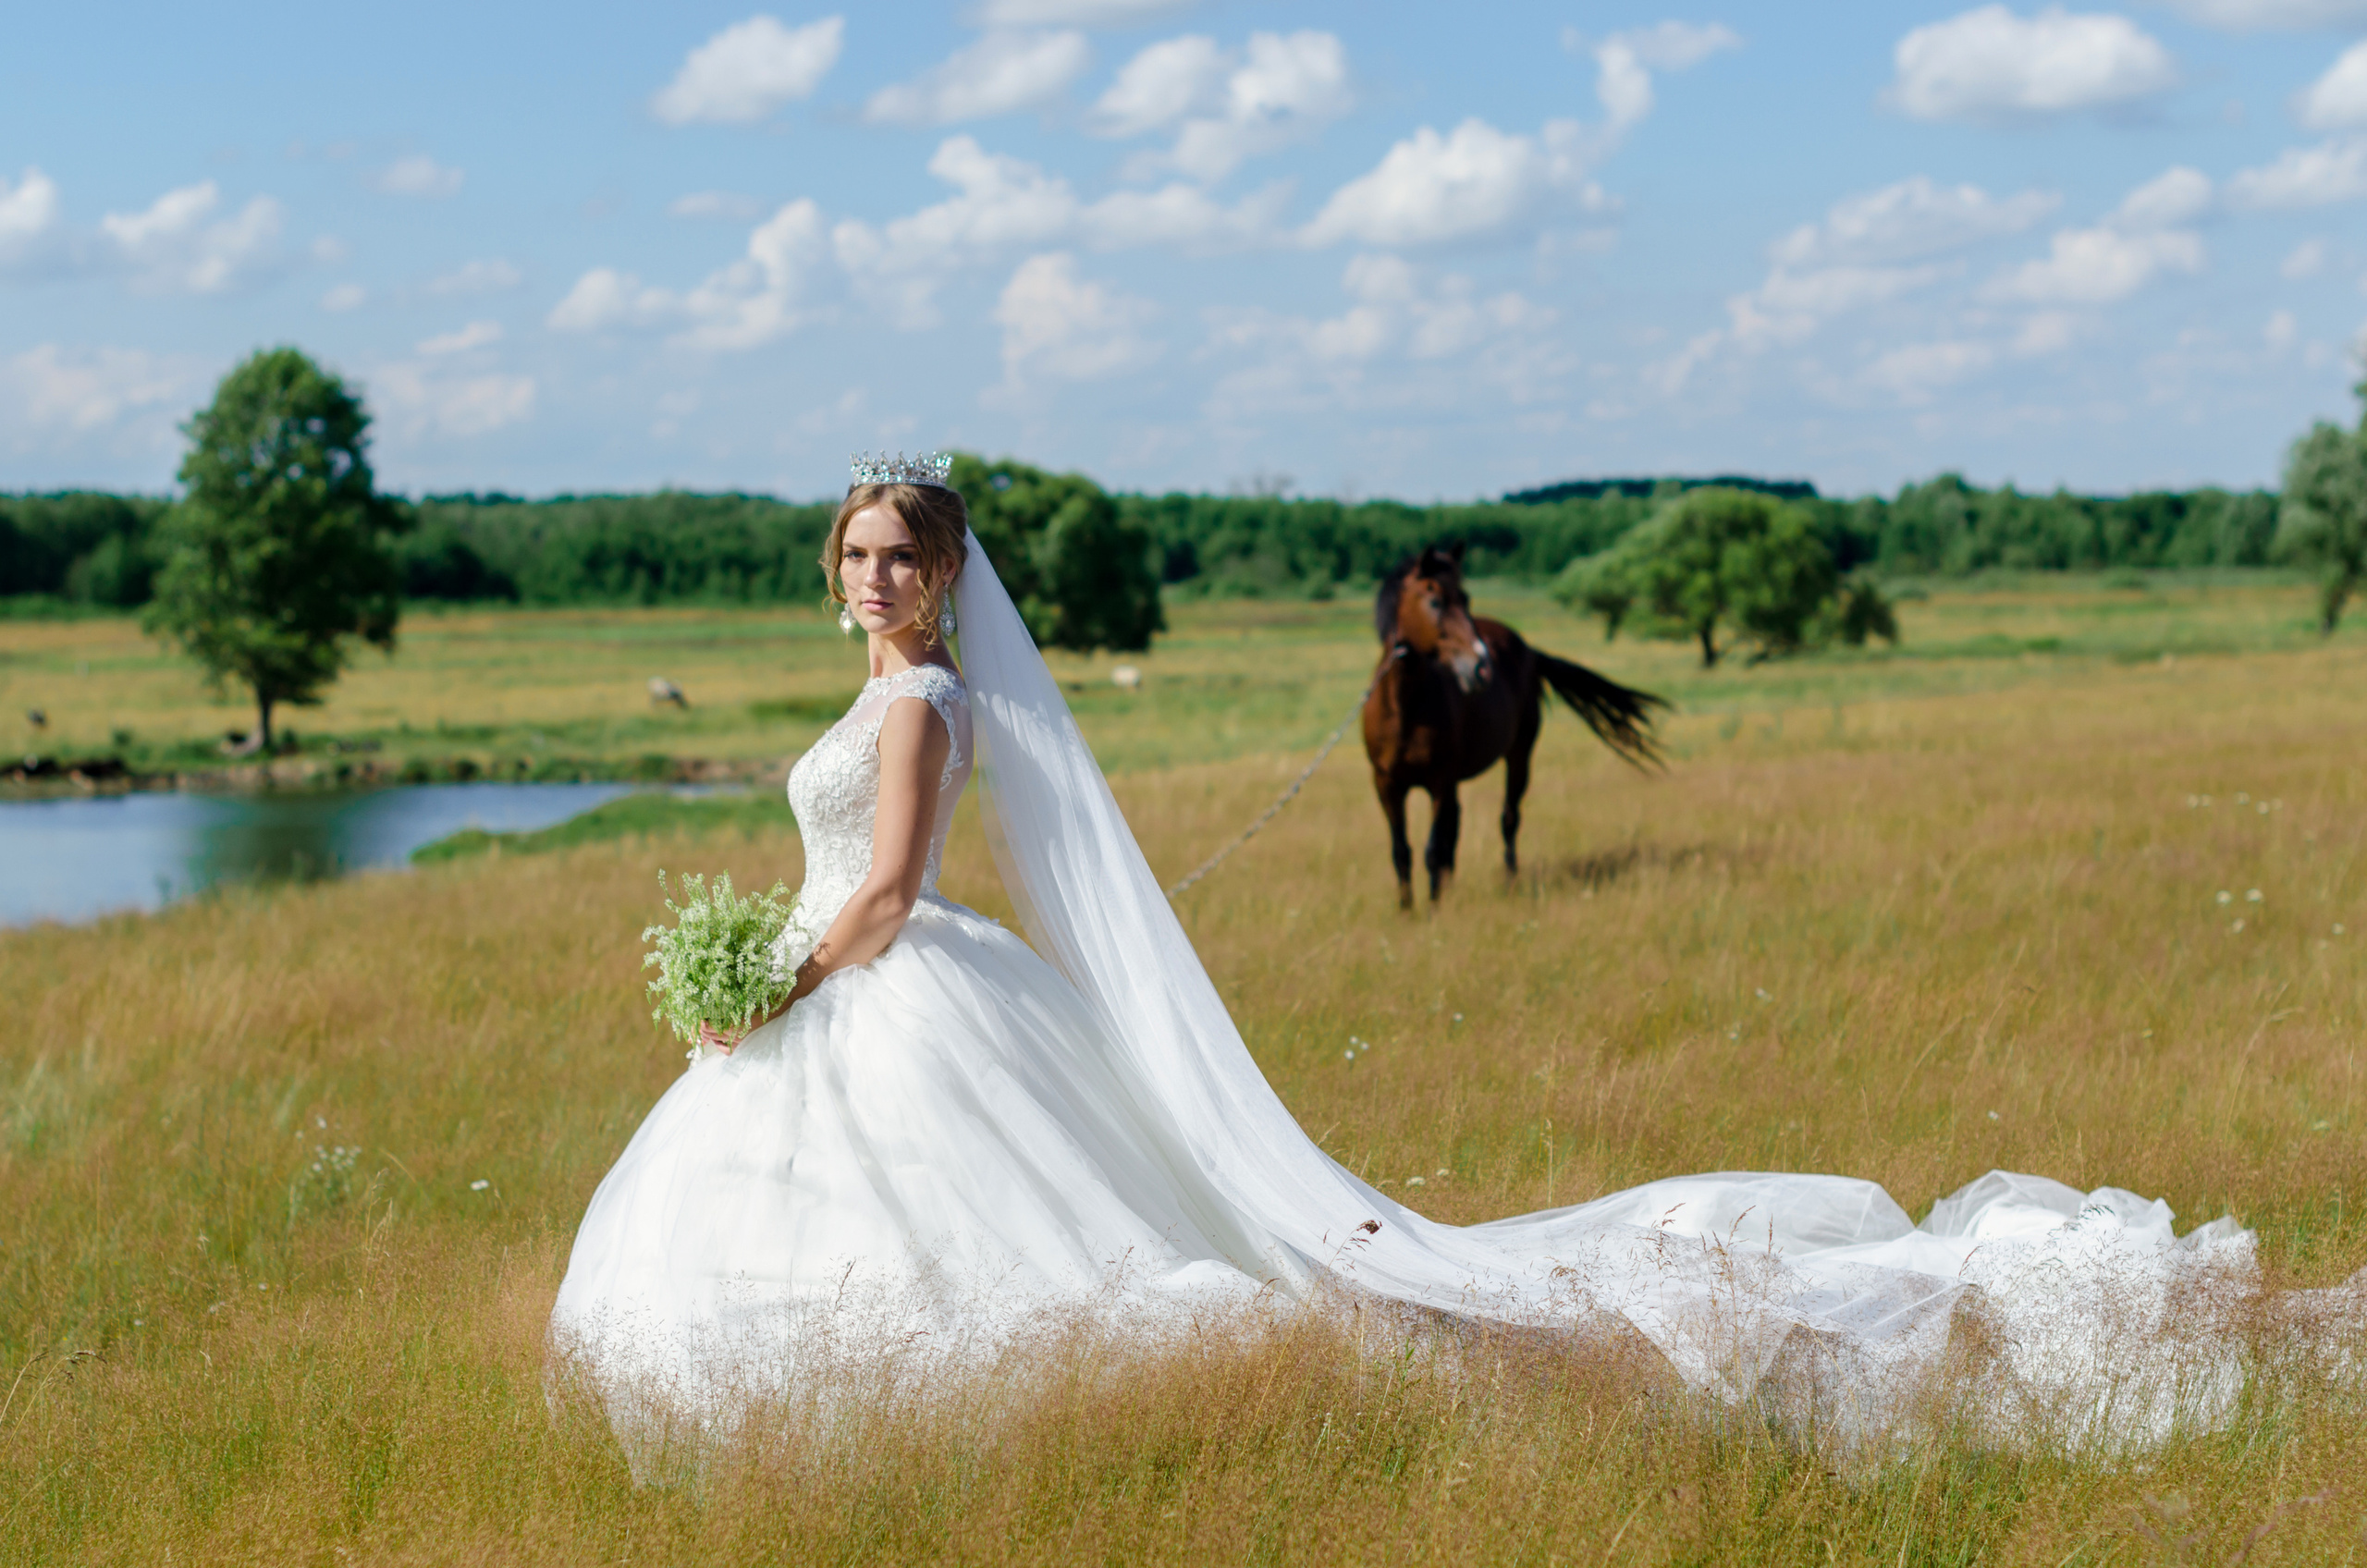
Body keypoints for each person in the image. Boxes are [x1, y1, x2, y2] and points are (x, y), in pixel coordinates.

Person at [552, 454, 2354, 1463]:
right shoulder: (874, 680)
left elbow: (879, 891)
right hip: (830, 991)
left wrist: (757, 986)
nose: (876, 580)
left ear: (945, 579)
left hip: (874, 986)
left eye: (901, 557)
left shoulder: (929, 697)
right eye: (857, 555)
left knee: (1005, 1241)